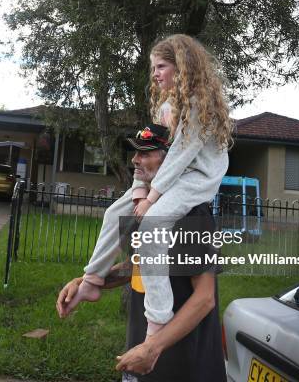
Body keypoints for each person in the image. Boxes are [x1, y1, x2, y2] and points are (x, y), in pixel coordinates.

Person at [63, 34, 232, 338]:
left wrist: (151, 199)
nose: (155, 73)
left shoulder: (196, 106)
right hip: (167, 177)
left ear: (182, 68)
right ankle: (91, 281)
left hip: (195, 179)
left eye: (162, 66)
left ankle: (158, 319)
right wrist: (140, 191)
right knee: (114, 214)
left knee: (151, 226)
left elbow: (180, 157)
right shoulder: (166, 107)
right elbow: (149, 152)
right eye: (153, 67)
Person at [57, 131, 226, 381]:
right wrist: (86, 282)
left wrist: (154, 346)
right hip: (141, 352)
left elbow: (204, 298)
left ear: (171, 161)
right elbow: (136, 266)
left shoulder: (193, 215)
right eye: (135, 152)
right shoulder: (146, 209)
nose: (135, 159)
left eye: (145, 153)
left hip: (179, 363)